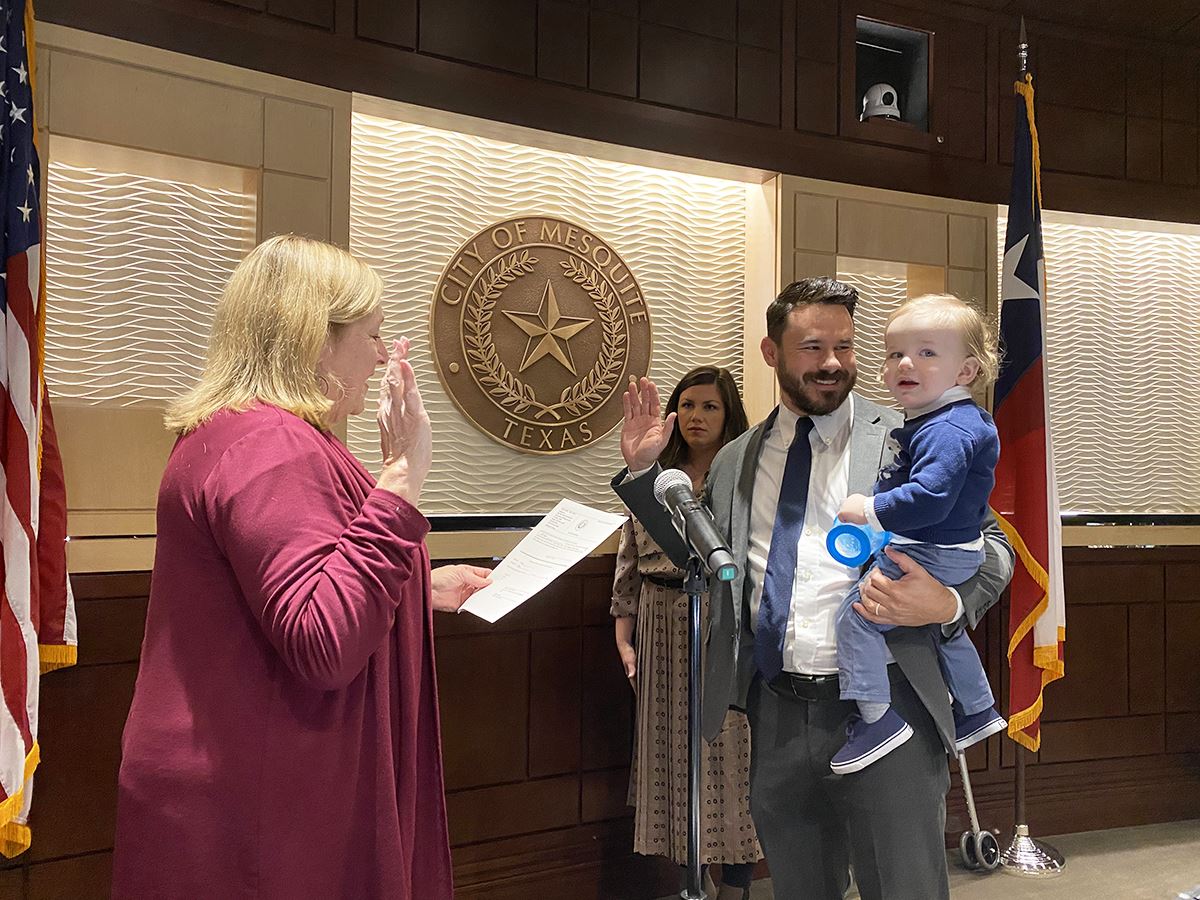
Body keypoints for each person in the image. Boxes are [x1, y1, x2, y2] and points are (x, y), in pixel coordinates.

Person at [112, 235, 490, 899]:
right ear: (315, 337)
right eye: (371, 335)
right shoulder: (272, 445)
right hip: (261, 804)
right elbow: (323, 641)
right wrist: (402, 477)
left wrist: (414, 591)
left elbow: (278, 585)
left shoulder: (238, 430)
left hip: (238, 773)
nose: (380, 355)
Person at [612, 277, 1014, 900]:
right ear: (771, 353)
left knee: (903, 887)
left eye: (846, 346)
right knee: (801, 887)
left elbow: (990, 545)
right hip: (776, 711)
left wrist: (950, 602)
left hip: (894, 707)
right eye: (811, 347)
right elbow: (699, 557)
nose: (832, 363)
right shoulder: (736, 458)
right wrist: (644, 473)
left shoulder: (908, 432)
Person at [831, 294, 1006, 774]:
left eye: (927, 352)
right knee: (944, 634)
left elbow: (932, 499)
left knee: (858, 617)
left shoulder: (946, 429)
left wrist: (870, 509)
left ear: (966, 371)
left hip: (932, 553)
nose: (905, 363)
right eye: (894, 353)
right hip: (938, 548)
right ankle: (976, 708)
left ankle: (875, 719)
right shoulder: (941, 421)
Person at [610, 366, 759, 900]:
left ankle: (736, 886)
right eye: (688, 406)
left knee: (728, 755)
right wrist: (624, 635)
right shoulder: (655, 476)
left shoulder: (743, 474)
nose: (697, 417)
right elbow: (630, 559)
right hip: (660, 627)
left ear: (729, 415)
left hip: (722, 628)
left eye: (710, 407)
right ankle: (688, 880)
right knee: (672, 757)